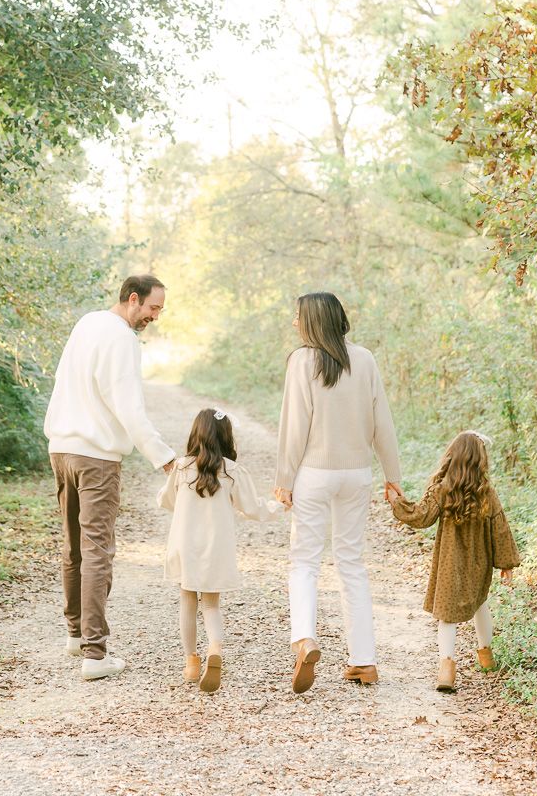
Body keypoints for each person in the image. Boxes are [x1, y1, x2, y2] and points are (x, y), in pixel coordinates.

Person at [44, 274, 175, 680]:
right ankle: (95, 655)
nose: (155, 316)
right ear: (132, 299)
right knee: (97, 550)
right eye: (153, 307)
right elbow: (128, 408)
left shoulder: (87, 323)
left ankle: (75, 635)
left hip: (62, 449)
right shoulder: (121, 339)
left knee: (74, 547)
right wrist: (165, 458)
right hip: (95, 457)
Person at [274, 292, 403, 694]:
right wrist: (392, 474)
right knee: (351, 563)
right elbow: (382, 419)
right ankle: (363, 661)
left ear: (312, 321)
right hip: (357, 474)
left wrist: (284, 477)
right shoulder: (364, 358)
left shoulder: (302, 361)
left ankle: (305, 639)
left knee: (304, 562)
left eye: (298, 317)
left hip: (314, 472)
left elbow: (295, 425)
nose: (295, 324)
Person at [157, 408, 281, 693]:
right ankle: (215, 647)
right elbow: (253, 508)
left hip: (185, 546)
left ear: (195, 434)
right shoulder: (231, 471)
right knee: (211, 605)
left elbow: (167, 500)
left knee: (187, 602)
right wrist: (280, 505)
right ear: (226, 437)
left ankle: (191, 661)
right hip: (216, 549)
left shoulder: (181, 467)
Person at [386, 430, 521, 692]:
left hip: (449, 564)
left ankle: (446, 669)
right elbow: (500, 529)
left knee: (447, 617)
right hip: (478, 564)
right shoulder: (486, 492)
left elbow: (421, 516)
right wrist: (505, 563)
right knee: (480, 604)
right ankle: (486, 656)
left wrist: (397, 502)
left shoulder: (443, 490)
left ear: (453, 457)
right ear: (479, 460)